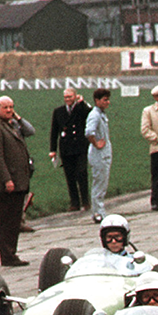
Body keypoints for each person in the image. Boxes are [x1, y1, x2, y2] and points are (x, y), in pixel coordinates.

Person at [0, 96, 32, 267]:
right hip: (7, 183)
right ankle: (7, 255)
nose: (9, 110)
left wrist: (18, 118)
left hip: (19, 180)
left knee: (14, 220)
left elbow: (30, 131)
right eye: (5, 107)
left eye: (12, 107)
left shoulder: (12, 124)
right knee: (7, 221)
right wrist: (7, 180)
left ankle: (11, 252)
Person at [48, 87, 90, 212]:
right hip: (66, 148)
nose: (68, 99)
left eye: (70, 97)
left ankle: (86, 201)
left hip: (80, 147)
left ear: (75, 97)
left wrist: (81, 103)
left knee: (82, 173)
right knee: (70, 176)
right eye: (66, 97)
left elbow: (88, 114)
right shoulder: (59, 112)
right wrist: (53, 149)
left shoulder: (80, 109)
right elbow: (54, 131)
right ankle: (74, 202)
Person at [85, 87, 113, 221]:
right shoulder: (94, 115)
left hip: (104, 154)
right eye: (105, 100)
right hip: (99, 155)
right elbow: (89, 132)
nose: (107, 102)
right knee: (99, 184)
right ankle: (98, 213)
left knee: (102, 183)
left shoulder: (101, 114)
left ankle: (99, 211)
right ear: (97, 101)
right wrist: (96, 143)